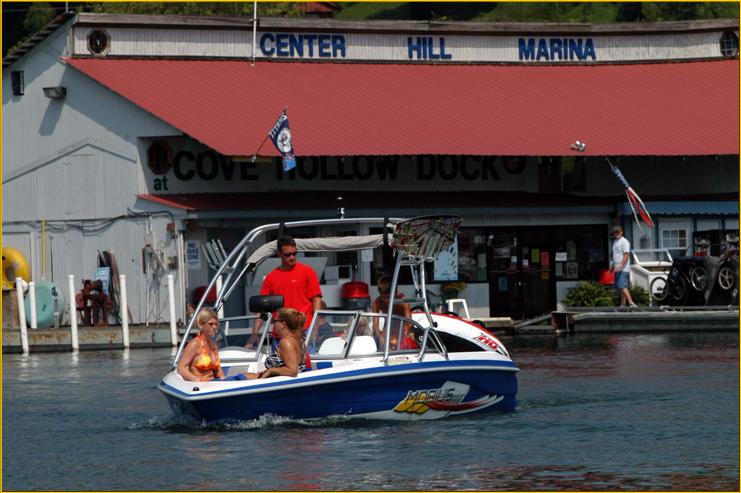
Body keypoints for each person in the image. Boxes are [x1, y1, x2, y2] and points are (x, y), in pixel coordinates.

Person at [245, 236, 322, 349]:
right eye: (287, 254)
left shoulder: (308, 272)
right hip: (280, 333)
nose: (292, 257)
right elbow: (262, 308)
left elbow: (316, 299)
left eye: (294, 253)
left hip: (304, 330)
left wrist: (315, 327)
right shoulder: (271, 278)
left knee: (304, 365)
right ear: (279, 254)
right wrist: (254, 333)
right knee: (278, 365)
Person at [245, 308, 307, 379]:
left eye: (274, 321)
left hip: (276, 382)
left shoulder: (286, 342)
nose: (272, 324)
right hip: (277, 380)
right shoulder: (299, 340)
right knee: (242, 375)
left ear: (283, 324)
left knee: (237, 377)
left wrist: (270, 371)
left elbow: (293, 370)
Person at [177, 308, 225, 382]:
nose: (214, 327)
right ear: (201, 325)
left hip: (214, 383)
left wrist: (224, 380)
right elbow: (181, 368)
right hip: (201, 386)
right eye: (211, 324)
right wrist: (196, 379)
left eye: (216, 324)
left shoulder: (213, 343)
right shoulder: (195, 344)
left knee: (245, 376)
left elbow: (218, 370)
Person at [371, 275, 415, 349]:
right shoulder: (377, 302)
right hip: (388, 327)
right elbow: (375, 326)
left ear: (396, 292)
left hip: (402, 328)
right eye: (383, 297)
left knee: (397, 342)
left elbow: (409, 324)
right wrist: (380, 337)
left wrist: (406, 338)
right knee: (380, 341)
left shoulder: (403, 301)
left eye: (388, 297)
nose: (386, 300)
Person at [610, 225, 636, 307]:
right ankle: (623, 303)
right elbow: (615, 255)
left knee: (623, 286)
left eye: (618, 232)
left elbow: (626, 254)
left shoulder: (624, 241)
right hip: (617, 268)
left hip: (623, 268)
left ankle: (631, 303)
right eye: (615, 232)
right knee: (620, 287)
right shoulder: (615, 242)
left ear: (621, 232)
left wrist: (621, 265)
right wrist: (612, 266)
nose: (616, 233)